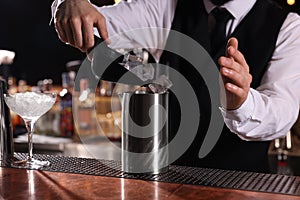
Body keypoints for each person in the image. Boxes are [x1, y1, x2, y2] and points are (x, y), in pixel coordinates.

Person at [52, 0, 300, 172]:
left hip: (244, 186)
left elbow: (283, 112)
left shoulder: (288, 25)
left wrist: (242, 103)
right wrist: (68, 3)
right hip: (168, 180)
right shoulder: (165, 7)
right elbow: (92, 21)